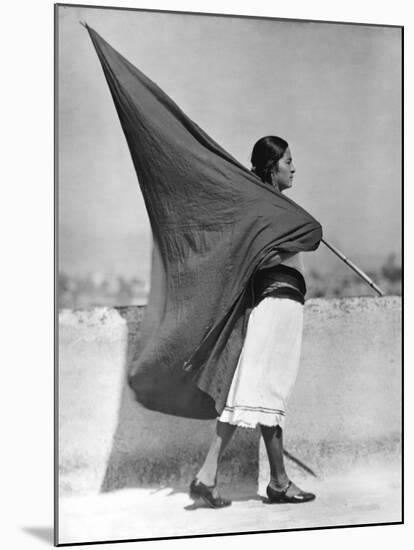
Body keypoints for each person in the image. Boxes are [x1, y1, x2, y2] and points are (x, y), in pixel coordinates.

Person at [189, 136, 316, 508]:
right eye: (288, 161)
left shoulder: (272, 207)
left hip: (278, 303)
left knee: (255, 394)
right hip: (276, 304)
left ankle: (254, 479)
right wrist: (293, 236)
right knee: (260, 392)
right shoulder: (265, 209)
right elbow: (258, 255)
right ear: (271, 166)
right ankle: (230, 476)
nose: (294, 168)